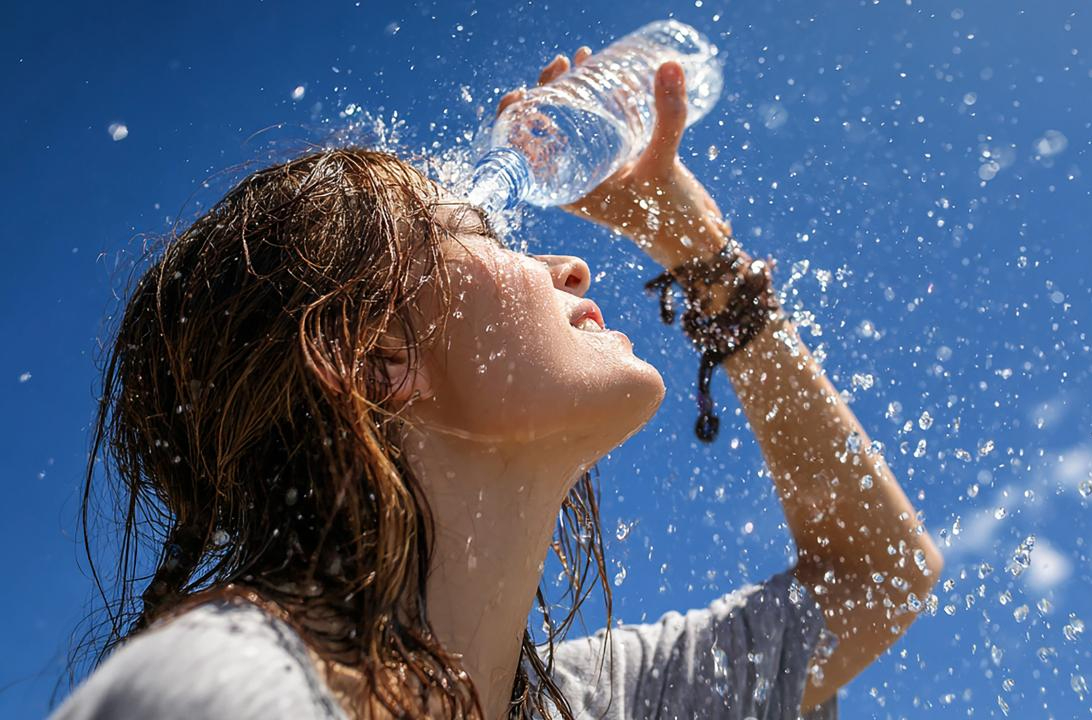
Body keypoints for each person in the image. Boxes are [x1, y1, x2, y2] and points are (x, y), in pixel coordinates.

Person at [54, 51, 942, 720]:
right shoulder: (223, 692)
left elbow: (876, 577)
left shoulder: (582, 701)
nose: (572, 265)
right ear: (376, 363)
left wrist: (703, 257)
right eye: (478, 231)